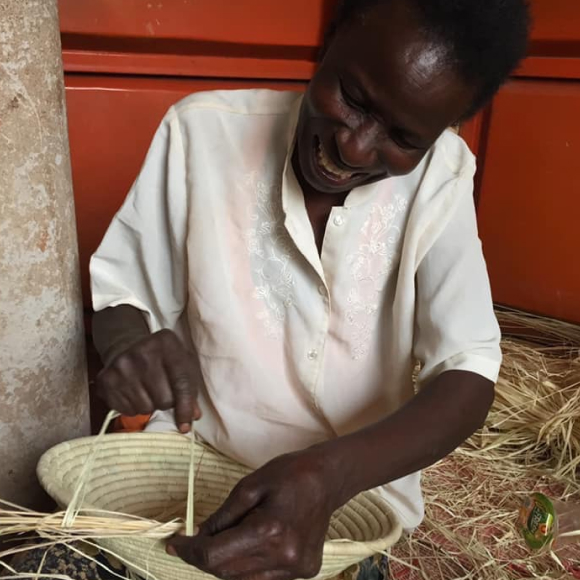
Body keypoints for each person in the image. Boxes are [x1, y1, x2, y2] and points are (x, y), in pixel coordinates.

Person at [10, 1, 530, 579]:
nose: (354, 149)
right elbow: (122, 293)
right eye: (353, 99)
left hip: (346, 505)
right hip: (190, 471)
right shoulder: (201, 133)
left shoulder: (442, 178)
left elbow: (467, 371)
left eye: (404, 137)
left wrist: (328, 476)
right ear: (327, 42)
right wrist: (130, 340)